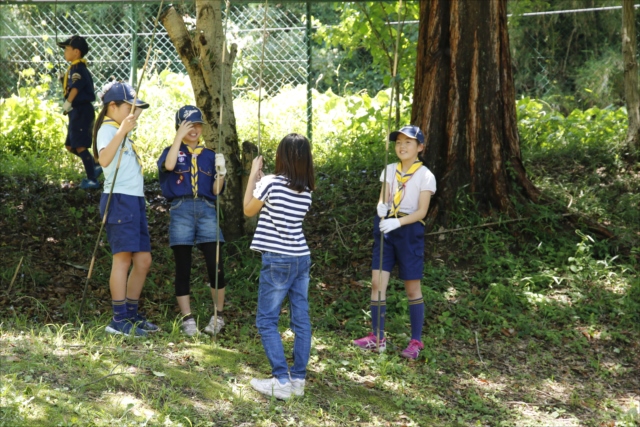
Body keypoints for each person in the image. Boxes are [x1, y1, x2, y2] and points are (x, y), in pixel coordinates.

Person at [352, 125, 436, 360]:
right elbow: (384, 197)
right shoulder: (390, 170)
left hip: (408, 231)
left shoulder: (426, 175)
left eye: (408, 142)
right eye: (398, 142)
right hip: (384, 228)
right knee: (377, 283)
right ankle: (377, 338)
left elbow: (421, 212)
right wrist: (380, 207)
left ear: (420, 147)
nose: (402, 146)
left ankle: (416, 341)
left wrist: (398, 223)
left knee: (412, 288)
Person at [244, 133, 315, 400]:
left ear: (281, 156)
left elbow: (248, 210)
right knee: (301, 320)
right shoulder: (306, 190)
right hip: (301, 257)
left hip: (277, 258)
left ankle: (281, 380)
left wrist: (254, 175)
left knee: (266, 320)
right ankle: (298, 379)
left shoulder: (271, 183)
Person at [92, 81, 158, 337]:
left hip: (134, 200)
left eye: (135, 108)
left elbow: (135, 111)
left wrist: (132, 113)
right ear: (112, 106)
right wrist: (122, 130)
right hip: (118, 199)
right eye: (128, 107)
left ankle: (131, 314)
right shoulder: (108, 130)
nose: (133, 113)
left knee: (143, 260)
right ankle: (118, 319)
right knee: (123, 258)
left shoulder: (120, 129)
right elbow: (104, 159)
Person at [157, 105, 228, 337]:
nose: (195, 129)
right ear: (179, 127)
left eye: (198, 124)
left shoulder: (209, 155)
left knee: (215, 265)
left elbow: (216, 190)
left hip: (207, 210)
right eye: (188, 125)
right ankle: (188, 318)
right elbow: (169, 166)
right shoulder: (171, 152)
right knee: (183, 266)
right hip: (181, 210)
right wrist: (178, 138)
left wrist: (222, 173)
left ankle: (218, 315)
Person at [57, 35, 102, 189]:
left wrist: (68, 102)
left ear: (76, 52)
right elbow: (72, 85)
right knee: (71, 146)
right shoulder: (74, 67)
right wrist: (63, 79)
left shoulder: (78, 68)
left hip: (81, 111)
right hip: (76, 112)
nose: (64, 52)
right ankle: (94, 165)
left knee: (81, 145)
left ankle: (92, 179)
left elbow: (76, 87)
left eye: (67, 49)